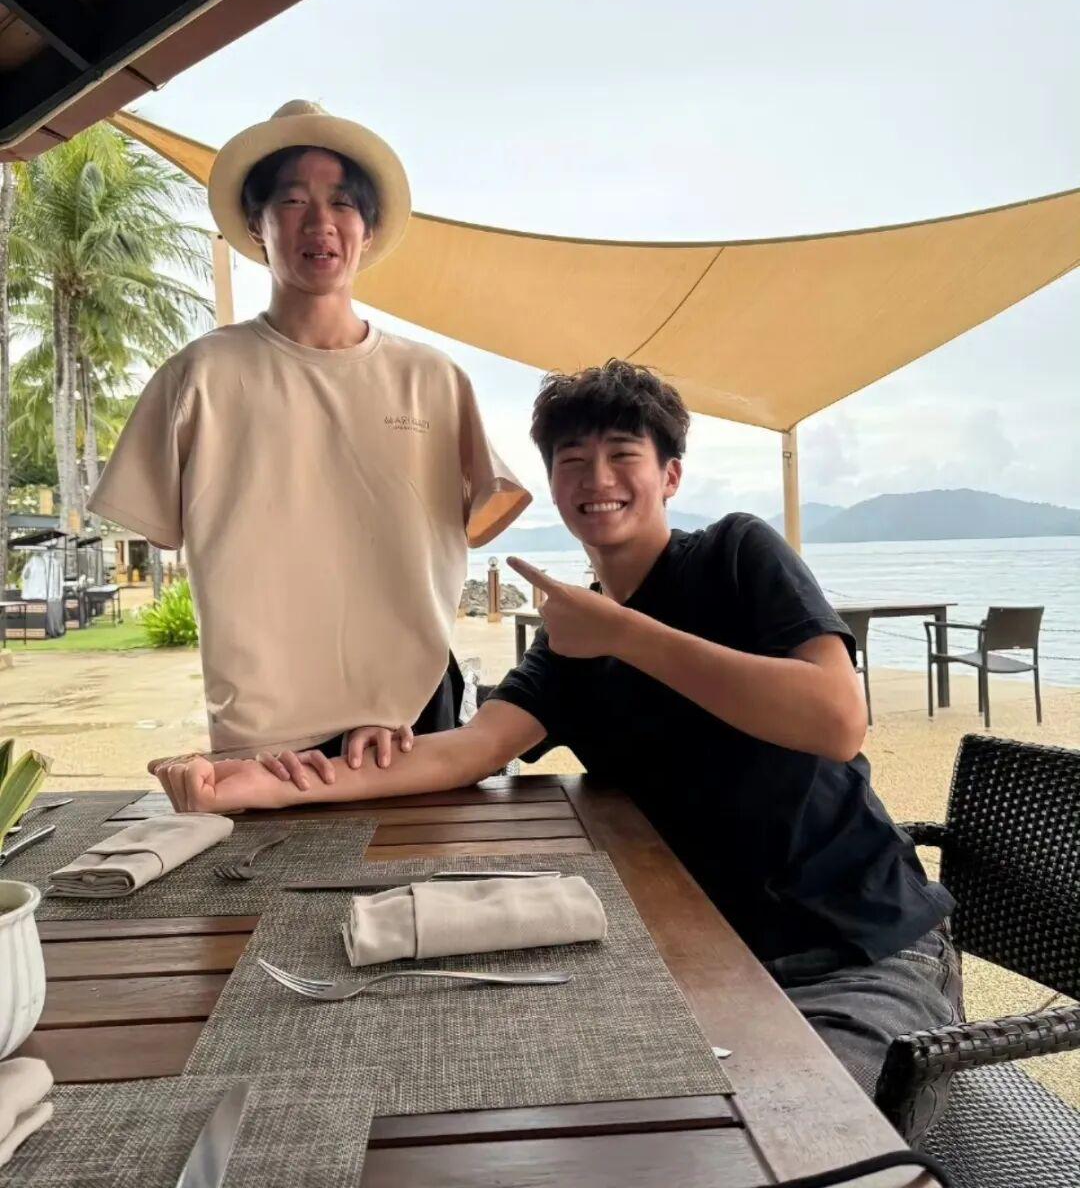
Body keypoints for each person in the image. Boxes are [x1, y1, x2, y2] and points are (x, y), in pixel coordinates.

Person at [153, 359, 961, 1139]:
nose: (596, 477)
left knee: (810, 1148)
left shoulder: (736, 556)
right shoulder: (571, 642)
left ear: (671, 476)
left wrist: (624, 632)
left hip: (860, 950)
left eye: (622, 455)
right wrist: (259, 784)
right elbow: (465, 751)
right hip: (702, 959)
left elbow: (835, 719)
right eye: (572, 460)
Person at [92, 100, 530, 780]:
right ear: (257, 225)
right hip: (266, 732)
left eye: (343, 203)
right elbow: (155, 524)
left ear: (368, 229)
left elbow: (487, 509)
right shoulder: (198, 377)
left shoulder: (433, 380)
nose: (320, 221)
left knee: (427, 853)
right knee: (274, 855)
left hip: (411, 713)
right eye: (293, 200)